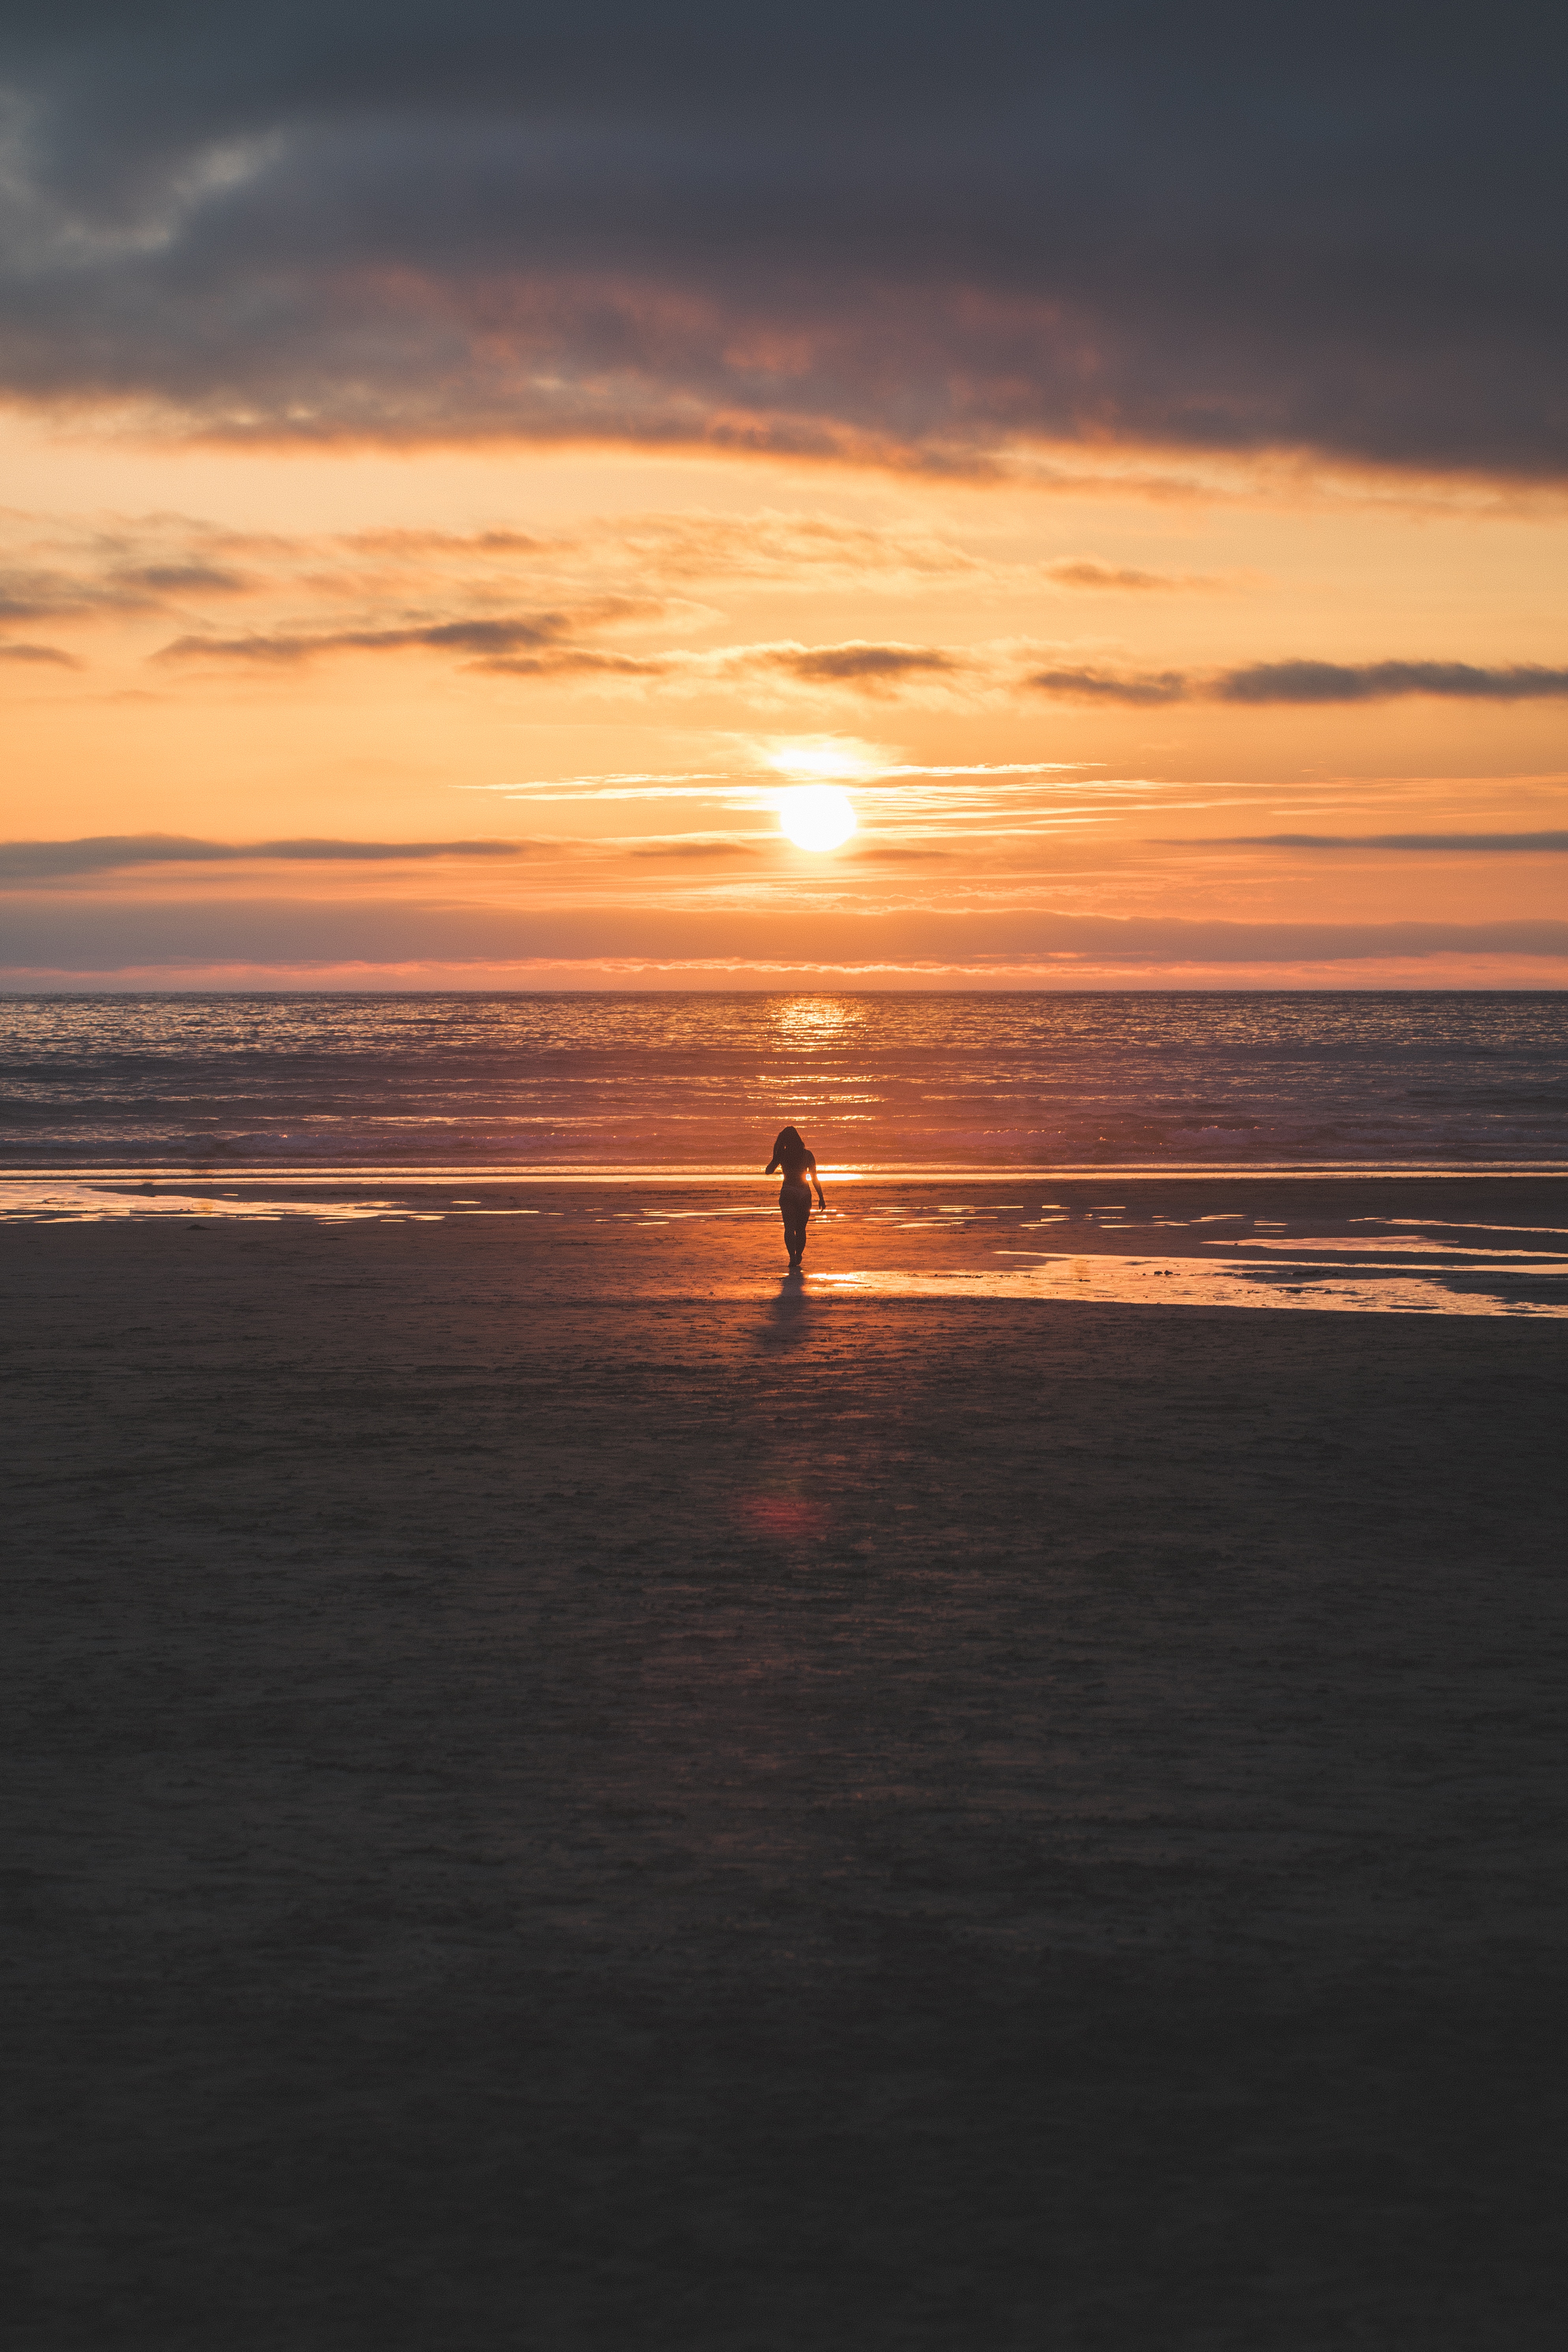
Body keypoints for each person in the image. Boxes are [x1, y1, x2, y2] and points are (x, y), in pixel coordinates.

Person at [765, 1125, 826, 1270]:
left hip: (788, 1192)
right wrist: (821, 1197)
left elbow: (768, 1171)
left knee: (789, 1228)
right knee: (801, 1229)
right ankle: (798, 1255)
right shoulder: (808, 1155)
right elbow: (814, 1177)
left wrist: (777, 1155)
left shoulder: (783, 1155)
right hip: (804, 1193)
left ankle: (792, 1257)